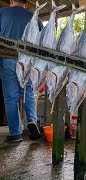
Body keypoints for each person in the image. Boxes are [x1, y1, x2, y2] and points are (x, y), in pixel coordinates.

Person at [0, 0, 42, 142]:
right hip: (27, 61)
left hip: (7, 58)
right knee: (27, 92)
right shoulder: (34, 17)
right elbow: (41, 42)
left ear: (11, 1)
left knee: (11, 97)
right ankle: (31, 120)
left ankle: (15, 133)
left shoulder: (2, 12)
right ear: (26, 3)